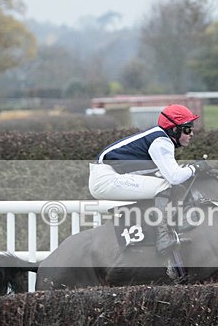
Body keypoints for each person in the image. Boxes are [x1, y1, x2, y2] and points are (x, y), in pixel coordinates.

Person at [89, 104, 210, 254]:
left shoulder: (160, 137)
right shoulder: (161, 142)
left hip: (107, 175)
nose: (191, 133)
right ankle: (163, 237)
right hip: (105, 179)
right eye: (187, 129)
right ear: (174, 129)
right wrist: (195, 168)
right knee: (164, 186)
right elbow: (174, 177)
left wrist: (191, 169)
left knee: (168, 186)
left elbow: (170, 173)